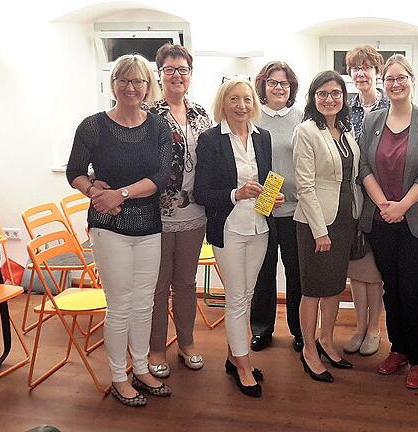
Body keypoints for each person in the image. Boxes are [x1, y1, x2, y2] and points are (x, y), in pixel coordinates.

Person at [66, 54, 172, 407]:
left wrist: (120, 193)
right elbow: (75, 172)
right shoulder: (93, 126)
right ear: (113, 85)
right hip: (108, 227)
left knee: (144, 303)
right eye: (124, 81)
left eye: (138, 81)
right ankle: (117, 376)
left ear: (148, 86)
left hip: (148, 224)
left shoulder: (157, 126)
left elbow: (161, 177)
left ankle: (141, 368)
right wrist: (96, 192)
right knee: (120, 305)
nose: (131, 88)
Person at [193, 77, 284, 398]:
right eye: (234, 99)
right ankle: (244, 367)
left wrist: (272, 198)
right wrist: (236, 193)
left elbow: (267, 181)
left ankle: (235, 356)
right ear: (223, 103)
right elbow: (201, 192)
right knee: (236, 298)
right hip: (228, 228)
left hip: (259, 226)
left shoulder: (264, 137)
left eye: (246, 99)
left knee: (246, 295)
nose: (241, 106)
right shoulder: (210, 140)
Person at [359, 55, 418, 389]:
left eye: (401, 77)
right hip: (381, 219)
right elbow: (363, 167)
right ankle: (399, 349)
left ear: (412, 79)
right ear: (383, 82)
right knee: (391, 288)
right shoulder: (372, 121)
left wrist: (402, 206)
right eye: (389, 79)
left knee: (411, 289)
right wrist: (383, 204)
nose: (395, 83)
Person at [146, 43, 213, 378]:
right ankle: (156, 348)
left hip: (194, 213)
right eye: (169, 70)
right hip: (156, 214)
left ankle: (186, 343)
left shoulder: (202, 114)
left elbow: (217, 159)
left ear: (190, 75)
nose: (176, 76)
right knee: (158, 287)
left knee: (186, 283)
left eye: (182, 70)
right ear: (159, 75)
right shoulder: (148, 114)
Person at [293, 70, 360, 383]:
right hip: (316, 224)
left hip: (345, 218)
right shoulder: (306, 131)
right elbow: (304, 186)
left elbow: (352, 176)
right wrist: (320, 230)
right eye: (322, 94)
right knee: (313, 290)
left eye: (335, 93)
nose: (329, 99)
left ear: (343, 98)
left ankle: (327, 341)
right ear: (313, 98)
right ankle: (309, 351)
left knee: (334, 286)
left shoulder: (345, 130)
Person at [250, 61, 304, 353]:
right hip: (262, 208)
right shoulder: (254, 118)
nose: (279, 88)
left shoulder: (301, 118)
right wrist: (267, 198)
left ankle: (299, 330)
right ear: (264, 85)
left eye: (284, 83)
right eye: (273, 82)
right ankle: (261, 329)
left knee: (297, 273)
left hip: (297, 211)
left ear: (291, 87)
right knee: (263, 272)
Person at [342, 45, 390, 356]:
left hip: (382, 199)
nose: (361, 73)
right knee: (357, 270)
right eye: (356, 68)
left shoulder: (391, 105)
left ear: (377, 72)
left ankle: (374, 329)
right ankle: (359, 327)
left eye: (367, 67)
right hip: (351, 199)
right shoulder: (344, 107)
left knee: (376, 274)